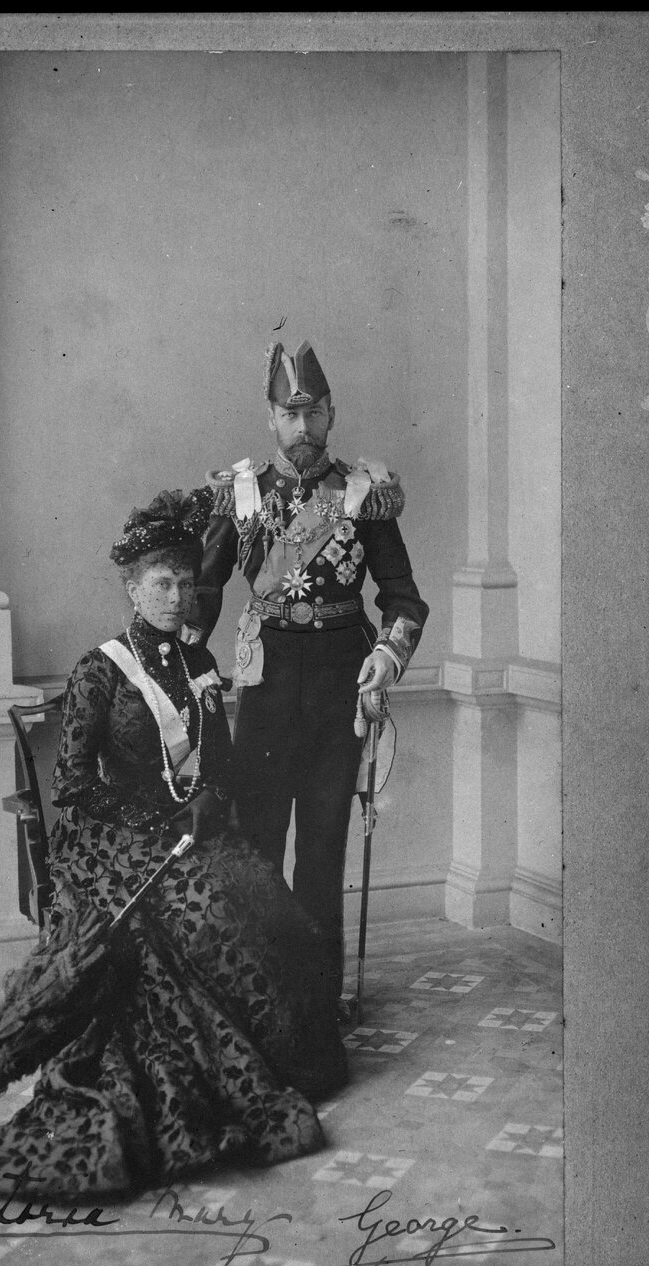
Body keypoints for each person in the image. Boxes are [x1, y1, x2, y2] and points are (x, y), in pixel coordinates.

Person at [0, 491, 348, 1200]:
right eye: (161, 583)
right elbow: (72, 785)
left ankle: (295, 1059)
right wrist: (160, 812)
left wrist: (209, 796)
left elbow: (218, 762)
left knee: (276, 912)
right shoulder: (100, 671)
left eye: (185, 582)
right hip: (117, 841)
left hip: (191, 831)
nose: (177, 595)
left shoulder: (195, 662)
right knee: (207, 920)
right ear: (133, 590)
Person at [179, 339, 430, 1009]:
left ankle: (314, 1003)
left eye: (313, 413)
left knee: (321, 854)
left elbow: (403, 599)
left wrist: (388, 655)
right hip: (263, 692)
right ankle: (262, 997)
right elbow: (199, 605)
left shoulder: (360, 495)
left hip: (338, 691)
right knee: (258, 849)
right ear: (269, 418)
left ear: (331, 413)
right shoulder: (242, 495)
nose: (302, 428)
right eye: (288, 416)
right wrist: (177, 675)